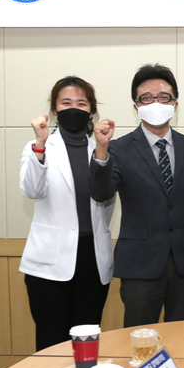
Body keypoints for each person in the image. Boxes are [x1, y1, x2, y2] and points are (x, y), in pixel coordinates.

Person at [89, 63, 184, 327]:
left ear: (175, 104)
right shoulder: (118, 148)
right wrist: (101, 150)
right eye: (147, 98)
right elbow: (101, 193)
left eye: (163, 97)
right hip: (139, 263)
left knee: (183, 336)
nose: (156, 103)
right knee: (139, 336)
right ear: (136, 106)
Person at [19, 77, 115, 350]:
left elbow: (107, 201)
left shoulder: (102, 147)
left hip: (92, 258)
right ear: (54, 110)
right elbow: (31, 191)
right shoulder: (39, 147)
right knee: (51, 341)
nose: (74, 108)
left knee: (87, 340)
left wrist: (103, 147)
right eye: (66, 102)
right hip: (49, 262)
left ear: (91, 111)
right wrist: (40, 144)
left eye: (81, 103)